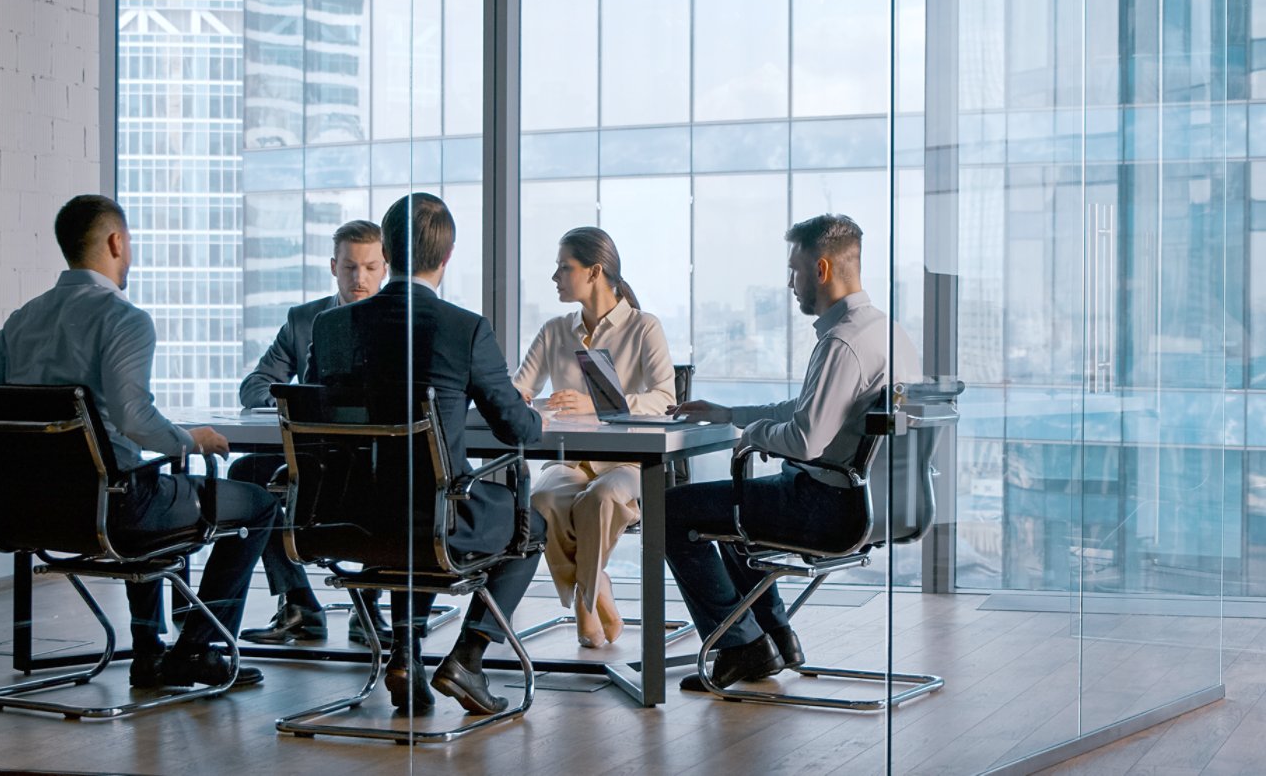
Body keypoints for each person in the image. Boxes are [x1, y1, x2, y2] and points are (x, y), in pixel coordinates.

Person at [0, 194, 278, 688]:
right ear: (116, 242)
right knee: (255, 503)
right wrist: (190, 440)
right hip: (113, 512)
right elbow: (134, 418)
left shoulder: (24, 319)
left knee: (136, 482)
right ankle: (195, 650)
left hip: (24, 513)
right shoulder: (125, 319)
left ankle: (149, 653)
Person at [307, 192, 546, 715]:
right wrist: (535, 411)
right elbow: (516, 429)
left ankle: (404, 656)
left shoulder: (330, 328)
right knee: (532, 525)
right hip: (431, 519)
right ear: (449, 254)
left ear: (387, 254)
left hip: (344, 520)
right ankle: (468, 658)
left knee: (409, 501)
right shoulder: (464, 328)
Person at [665, 213, 921, 691]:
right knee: (733, 511)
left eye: (795, 270)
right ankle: (777, 638)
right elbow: (812, 410)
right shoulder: (886, 332)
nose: (790, 283)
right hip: (877, 505)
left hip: (828, 508)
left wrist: (754, 435)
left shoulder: (842, 342)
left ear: (821, 270)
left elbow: (805, 439)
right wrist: (729, 413)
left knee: (669, 511)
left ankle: (742, 647)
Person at [231, 219, 393, 648]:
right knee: (246, 472)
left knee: (395, 476)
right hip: (314, 457)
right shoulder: (303, 320)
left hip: (376, 459)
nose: (359, 278)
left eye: (370, 267)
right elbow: (255, 385)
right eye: (350, 267)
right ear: (333, 266)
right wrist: (293, 406)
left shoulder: (399, 323)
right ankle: (299, 601)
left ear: (386, 268)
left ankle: (369, 605)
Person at [513, 227, 674, 648]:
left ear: (595, 271)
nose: (555, 277)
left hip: (627, 463)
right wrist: (519, 396)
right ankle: (597, 585)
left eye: (564, 268)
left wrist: (596, 405)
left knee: (600, 500)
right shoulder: (553, 331)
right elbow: (520, 388)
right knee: (543, 500)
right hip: (568, 461)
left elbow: (664, 398)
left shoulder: (644, 328)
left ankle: (586, 606)